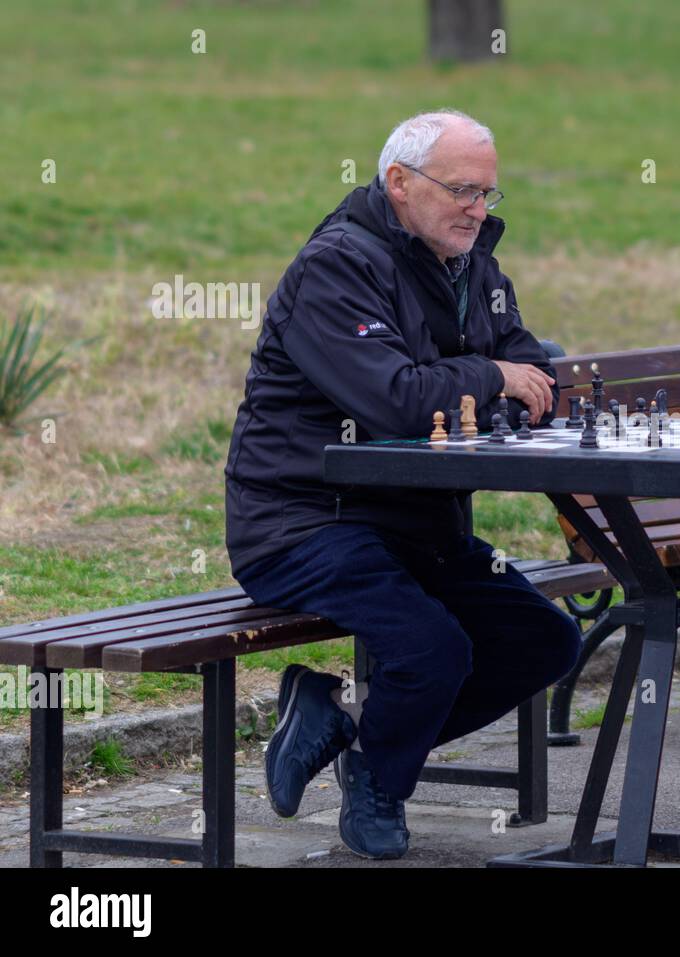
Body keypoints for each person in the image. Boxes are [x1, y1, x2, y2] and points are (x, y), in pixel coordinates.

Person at [223, 109, 581, 860]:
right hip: (302, 521)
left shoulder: (468, 260)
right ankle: (380, 789)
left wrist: (507, 376)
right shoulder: (336, 267)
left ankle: (345, 724)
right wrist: (489, 377)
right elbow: (390, 396)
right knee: (433, 649)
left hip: (415, 523)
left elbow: (529, 364)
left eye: (488, 194)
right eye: (462, 191)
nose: (478, 211)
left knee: (545, 638)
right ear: (398, 182)